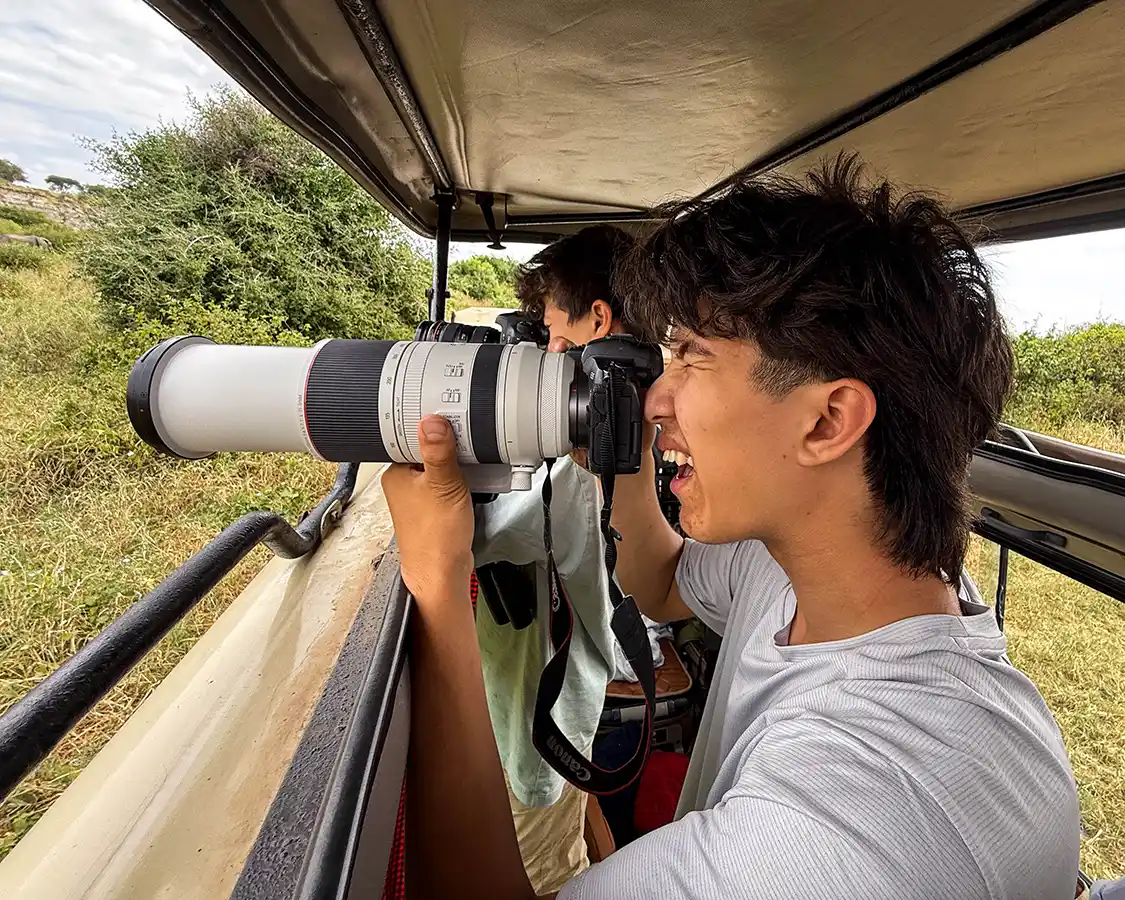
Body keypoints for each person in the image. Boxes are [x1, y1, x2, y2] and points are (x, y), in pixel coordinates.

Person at [382, 156, 1081, 900]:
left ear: (827, 421)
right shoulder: (812, 569)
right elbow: (659, 580)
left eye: (690, 357)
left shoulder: (854, 824)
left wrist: (437, 584)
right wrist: (618, 453)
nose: (657, 400)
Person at [470, 225, 642, 894]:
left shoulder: (585, 452)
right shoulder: (620, 435)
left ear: (598, 319)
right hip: (561, 701)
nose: (545, 352)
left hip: (542, 725)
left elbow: (488, 539)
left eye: (552, 334)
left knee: (543, 877)